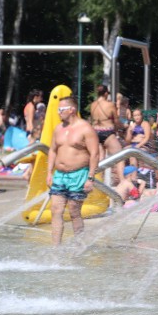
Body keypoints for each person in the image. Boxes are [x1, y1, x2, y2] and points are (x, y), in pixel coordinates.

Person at [45, 95, 100, 246]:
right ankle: (55, 248)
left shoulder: (85, 128)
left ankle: (79, 245)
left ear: (72, 110)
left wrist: (90, 178)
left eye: (61, 109)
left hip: (79, 174)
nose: (58, 112)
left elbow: (95, 153)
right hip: (60, 175)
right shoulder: (58, 129)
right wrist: (49, 172)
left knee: (74, 211)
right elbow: (52, 151)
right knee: (56, 210)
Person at [88, 84, 122, 159]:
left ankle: (99, 171)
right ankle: (119, 170)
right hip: (107, 132)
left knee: (101, 160)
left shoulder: (92, 105)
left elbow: (91, 120)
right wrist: (118, 131)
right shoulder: (110, 105)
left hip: (95, 132)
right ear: (106, 93)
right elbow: (116, 121)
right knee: (119, 157)